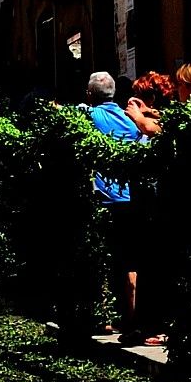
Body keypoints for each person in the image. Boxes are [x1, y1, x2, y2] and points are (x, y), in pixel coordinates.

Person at [85, 69, 144, 328]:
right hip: (130, 197)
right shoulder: (132, 120)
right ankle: (131, 316)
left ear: (89, 94)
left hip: (102, 197)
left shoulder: (86, 115)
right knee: (129, 257)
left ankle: (104, 316)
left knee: (101, 258)